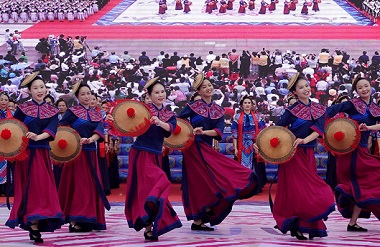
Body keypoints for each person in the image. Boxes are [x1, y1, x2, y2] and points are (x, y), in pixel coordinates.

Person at [178, 73, 259, 231]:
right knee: (197, 182)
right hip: (192, 149)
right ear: (199, 91)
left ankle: (203, 214)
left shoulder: (218, 110)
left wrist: (203, 132)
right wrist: (190, 131)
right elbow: (178, 122)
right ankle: (198, 218)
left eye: (209, 85)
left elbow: (219, 131)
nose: (208, 88)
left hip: (206, 147)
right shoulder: (192, 107)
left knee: (216, 176)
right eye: (204, 87)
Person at [262, 73, 335, 240]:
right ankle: (297, 225)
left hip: (308, 153)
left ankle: (309, 224)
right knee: (297, 191)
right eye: (301, 88)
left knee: (312, 189)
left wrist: (304, 140)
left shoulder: (319, 108)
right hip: (292, 156)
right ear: (294, 92)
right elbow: (277, 130)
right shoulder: (291, 110)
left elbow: (319, 129)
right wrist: (264, 143)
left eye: (307, 86)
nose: (306, 89)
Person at [5, 72, 64, 243]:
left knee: (41, 186)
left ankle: (37, 221)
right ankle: (33, 223)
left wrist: (38, 137)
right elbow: (13, 128)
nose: (39, 90)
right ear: (29, 91)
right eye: (35, 88)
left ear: (46, 90)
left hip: (42, 152)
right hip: (25, 154)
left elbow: (53, 128)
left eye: (42, 87)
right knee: (28, 187)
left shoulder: (52, 111)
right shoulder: (22, 109)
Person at [124, 78, 182, 241]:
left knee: (152, 189)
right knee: (153, 185)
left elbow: (172, 129)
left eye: (162, 91)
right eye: (156, 92)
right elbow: (128, 125)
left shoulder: (168, 113)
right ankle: (148, 226)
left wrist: (159, 122)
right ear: (149, 95)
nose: (160, 95)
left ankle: (149, 226)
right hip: (141, 153)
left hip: (156, 154)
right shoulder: (142, 110)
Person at [328, 76, 380, 232]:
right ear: (356, 91)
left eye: (366, 86)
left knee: (363, 186)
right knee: (365, 183)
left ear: (370, 86)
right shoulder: (352, 104)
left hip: (364, 151)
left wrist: (369, 128)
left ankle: (352, 223)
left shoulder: (375, 106)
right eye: (360, 88)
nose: (364, 89)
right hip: (352, 152)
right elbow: (330, 111)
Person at [58, 82, 108, 232]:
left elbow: (99, 130)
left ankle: (90, 218)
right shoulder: (72, 112)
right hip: (76, 155)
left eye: (88, 93)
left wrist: (91, 139)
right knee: (79, 186)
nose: (87, 97)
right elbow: (61, 128)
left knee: (92, 186)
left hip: (91, 153)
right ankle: (75, 219)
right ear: (78, 97)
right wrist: (73, 139)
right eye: (83, 94)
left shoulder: (96, 113)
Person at [232, 95, 267, 191]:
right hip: (241, 144)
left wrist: (259, 144)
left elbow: (262, 132)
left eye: (249, 103)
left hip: (254, 144)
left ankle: (255, 187)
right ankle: (243, 187)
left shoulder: (258, 117)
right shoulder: (237, 117)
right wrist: (235, 148)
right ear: (242, 105)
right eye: (245, 103)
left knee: (255, 166)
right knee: (242, 166)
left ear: (252, 105)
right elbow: (234, 134)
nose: (247, 105)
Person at [325, 94, 350, 190]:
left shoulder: (351, 115)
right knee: (334, 165)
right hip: (334, 144)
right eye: (343, 103)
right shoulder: (334, 116)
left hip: (348, 145)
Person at [0, 92, 13, 196]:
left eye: (5, 100)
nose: (3, 102)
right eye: (1, 99)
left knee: (8, 165)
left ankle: (8, 189)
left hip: (9, 143)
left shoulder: (12, 113)